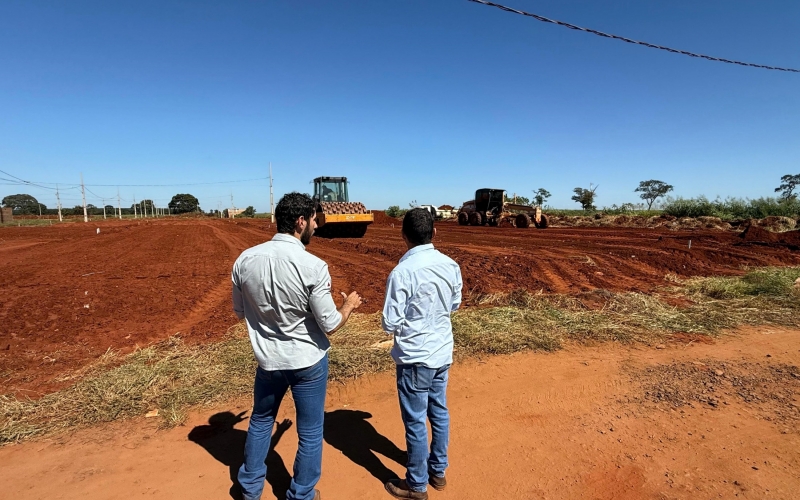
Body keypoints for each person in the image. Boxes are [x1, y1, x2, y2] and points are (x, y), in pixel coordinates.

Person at [232, 192, 362, 500]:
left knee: (261, 421)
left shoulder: (244, 260)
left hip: (268, 362)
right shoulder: (313, 266)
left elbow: (240, 312)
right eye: (315, 220)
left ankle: (250, 490)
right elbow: (330, 323)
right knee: (311, 431)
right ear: (301, 222)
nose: (317, 226)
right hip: (308, 363)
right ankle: (301, 494)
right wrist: (349, 306)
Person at [381, 208, 463, 500]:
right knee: (439, 411)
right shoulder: (451, 265)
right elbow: (454, 305)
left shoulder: (402, 272)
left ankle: (417, 485)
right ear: (434, 232)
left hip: (415, 356)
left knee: (415, 420)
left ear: (403, 236)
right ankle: (437, 471)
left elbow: (389, 322)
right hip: (442, 352)